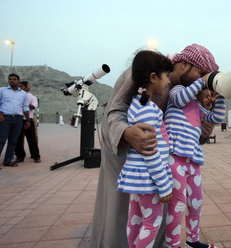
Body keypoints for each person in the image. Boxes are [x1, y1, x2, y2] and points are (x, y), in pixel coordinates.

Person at [91, 43, 219, 248]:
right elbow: (115, 112)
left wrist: (204, 127)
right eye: (201, 73)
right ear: (185, 65)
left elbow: (188, 130)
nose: (202, 80)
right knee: (121, 211)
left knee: (154, 214)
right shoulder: (144, 73)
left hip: (155, 160)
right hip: (125, 152)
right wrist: (127, 132)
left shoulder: (185, 90)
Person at [116, 50, 174, 248]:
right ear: (153, 77)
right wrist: (164, 185)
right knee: (151, 223)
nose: (168, 81)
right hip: (148, 180)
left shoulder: (137, 105)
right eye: (166, 75)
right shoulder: (147, 110)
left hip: (137, 179)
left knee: (135, 220)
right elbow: (150, 153)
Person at [164, 70, 225, 248]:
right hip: (175, 158)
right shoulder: (177, 91)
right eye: (208, 92)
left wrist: (221, 95)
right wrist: (202, 81)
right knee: (177, 205)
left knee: (196, 201)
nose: (209, 95)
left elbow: (217, 117)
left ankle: (193, 240)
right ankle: (173, 244)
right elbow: (179, 99)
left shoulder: (198, 107)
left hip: (193, 161)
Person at [0, 74, 30, 170]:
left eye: (14, 79)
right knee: (1, 140)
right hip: (6, 118)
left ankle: (8, 160)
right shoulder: (2, 90)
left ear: (18, 81)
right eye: (10, 79)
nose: (12, 81)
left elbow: (25, 106)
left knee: (13, 141)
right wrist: (0, 114)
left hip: (18, 119)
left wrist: (27, 120)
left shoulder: (23, 93)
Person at [15, 81, 41, 163]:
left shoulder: (32, 97)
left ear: (26, 87)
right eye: (19, 86)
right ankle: (20, 156)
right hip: (18, 119)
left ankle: (35, 156)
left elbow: (33, 106)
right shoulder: (15, 96)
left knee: (31, 139)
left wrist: (22, 105)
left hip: (28, 119)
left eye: (22, 86)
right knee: (18, 139)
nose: (20, 88)